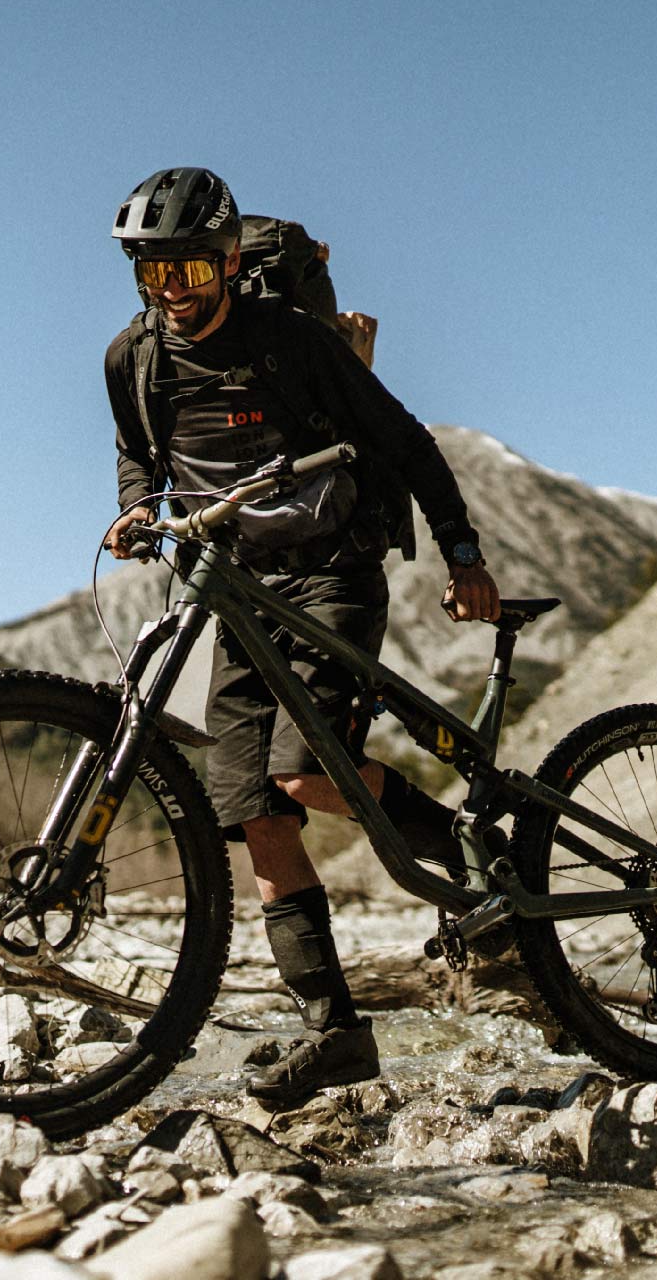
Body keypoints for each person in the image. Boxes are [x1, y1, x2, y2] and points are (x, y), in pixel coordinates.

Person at [101, 167, 501, 1106]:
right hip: (233, 584)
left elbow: (405, 441)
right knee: (252, 809)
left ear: (232, 263)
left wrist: (464, 554)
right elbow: (137, 455)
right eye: (155, 276)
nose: (174, 294)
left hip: (332, 570)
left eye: (193, 271)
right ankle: (335, 1033)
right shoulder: (133, 360)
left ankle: (478, 859)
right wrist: (133, 510)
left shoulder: (290, 344)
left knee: (297, 771)